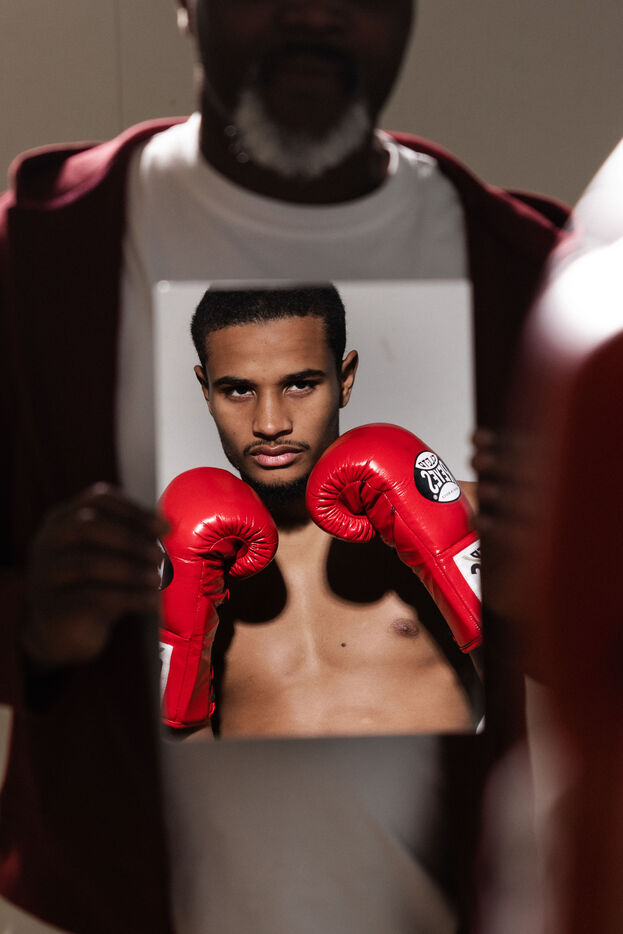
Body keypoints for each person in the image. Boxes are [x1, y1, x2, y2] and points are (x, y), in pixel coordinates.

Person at [0, 2, 569, 932]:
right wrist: (33, 623)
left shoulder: (526, 272)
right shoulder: (46, 255)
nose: (314, 11)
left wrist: (543, 589)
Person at [160, 285, 482, 739]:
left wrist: (459, 551)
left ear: (344, 378)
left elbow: (552, 711)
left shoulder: (473, 515)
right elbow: (171, 766)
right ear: (206, 391)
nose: (270, 424)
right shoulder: (175, 564)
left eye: (300, 384)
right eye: (238, 389)